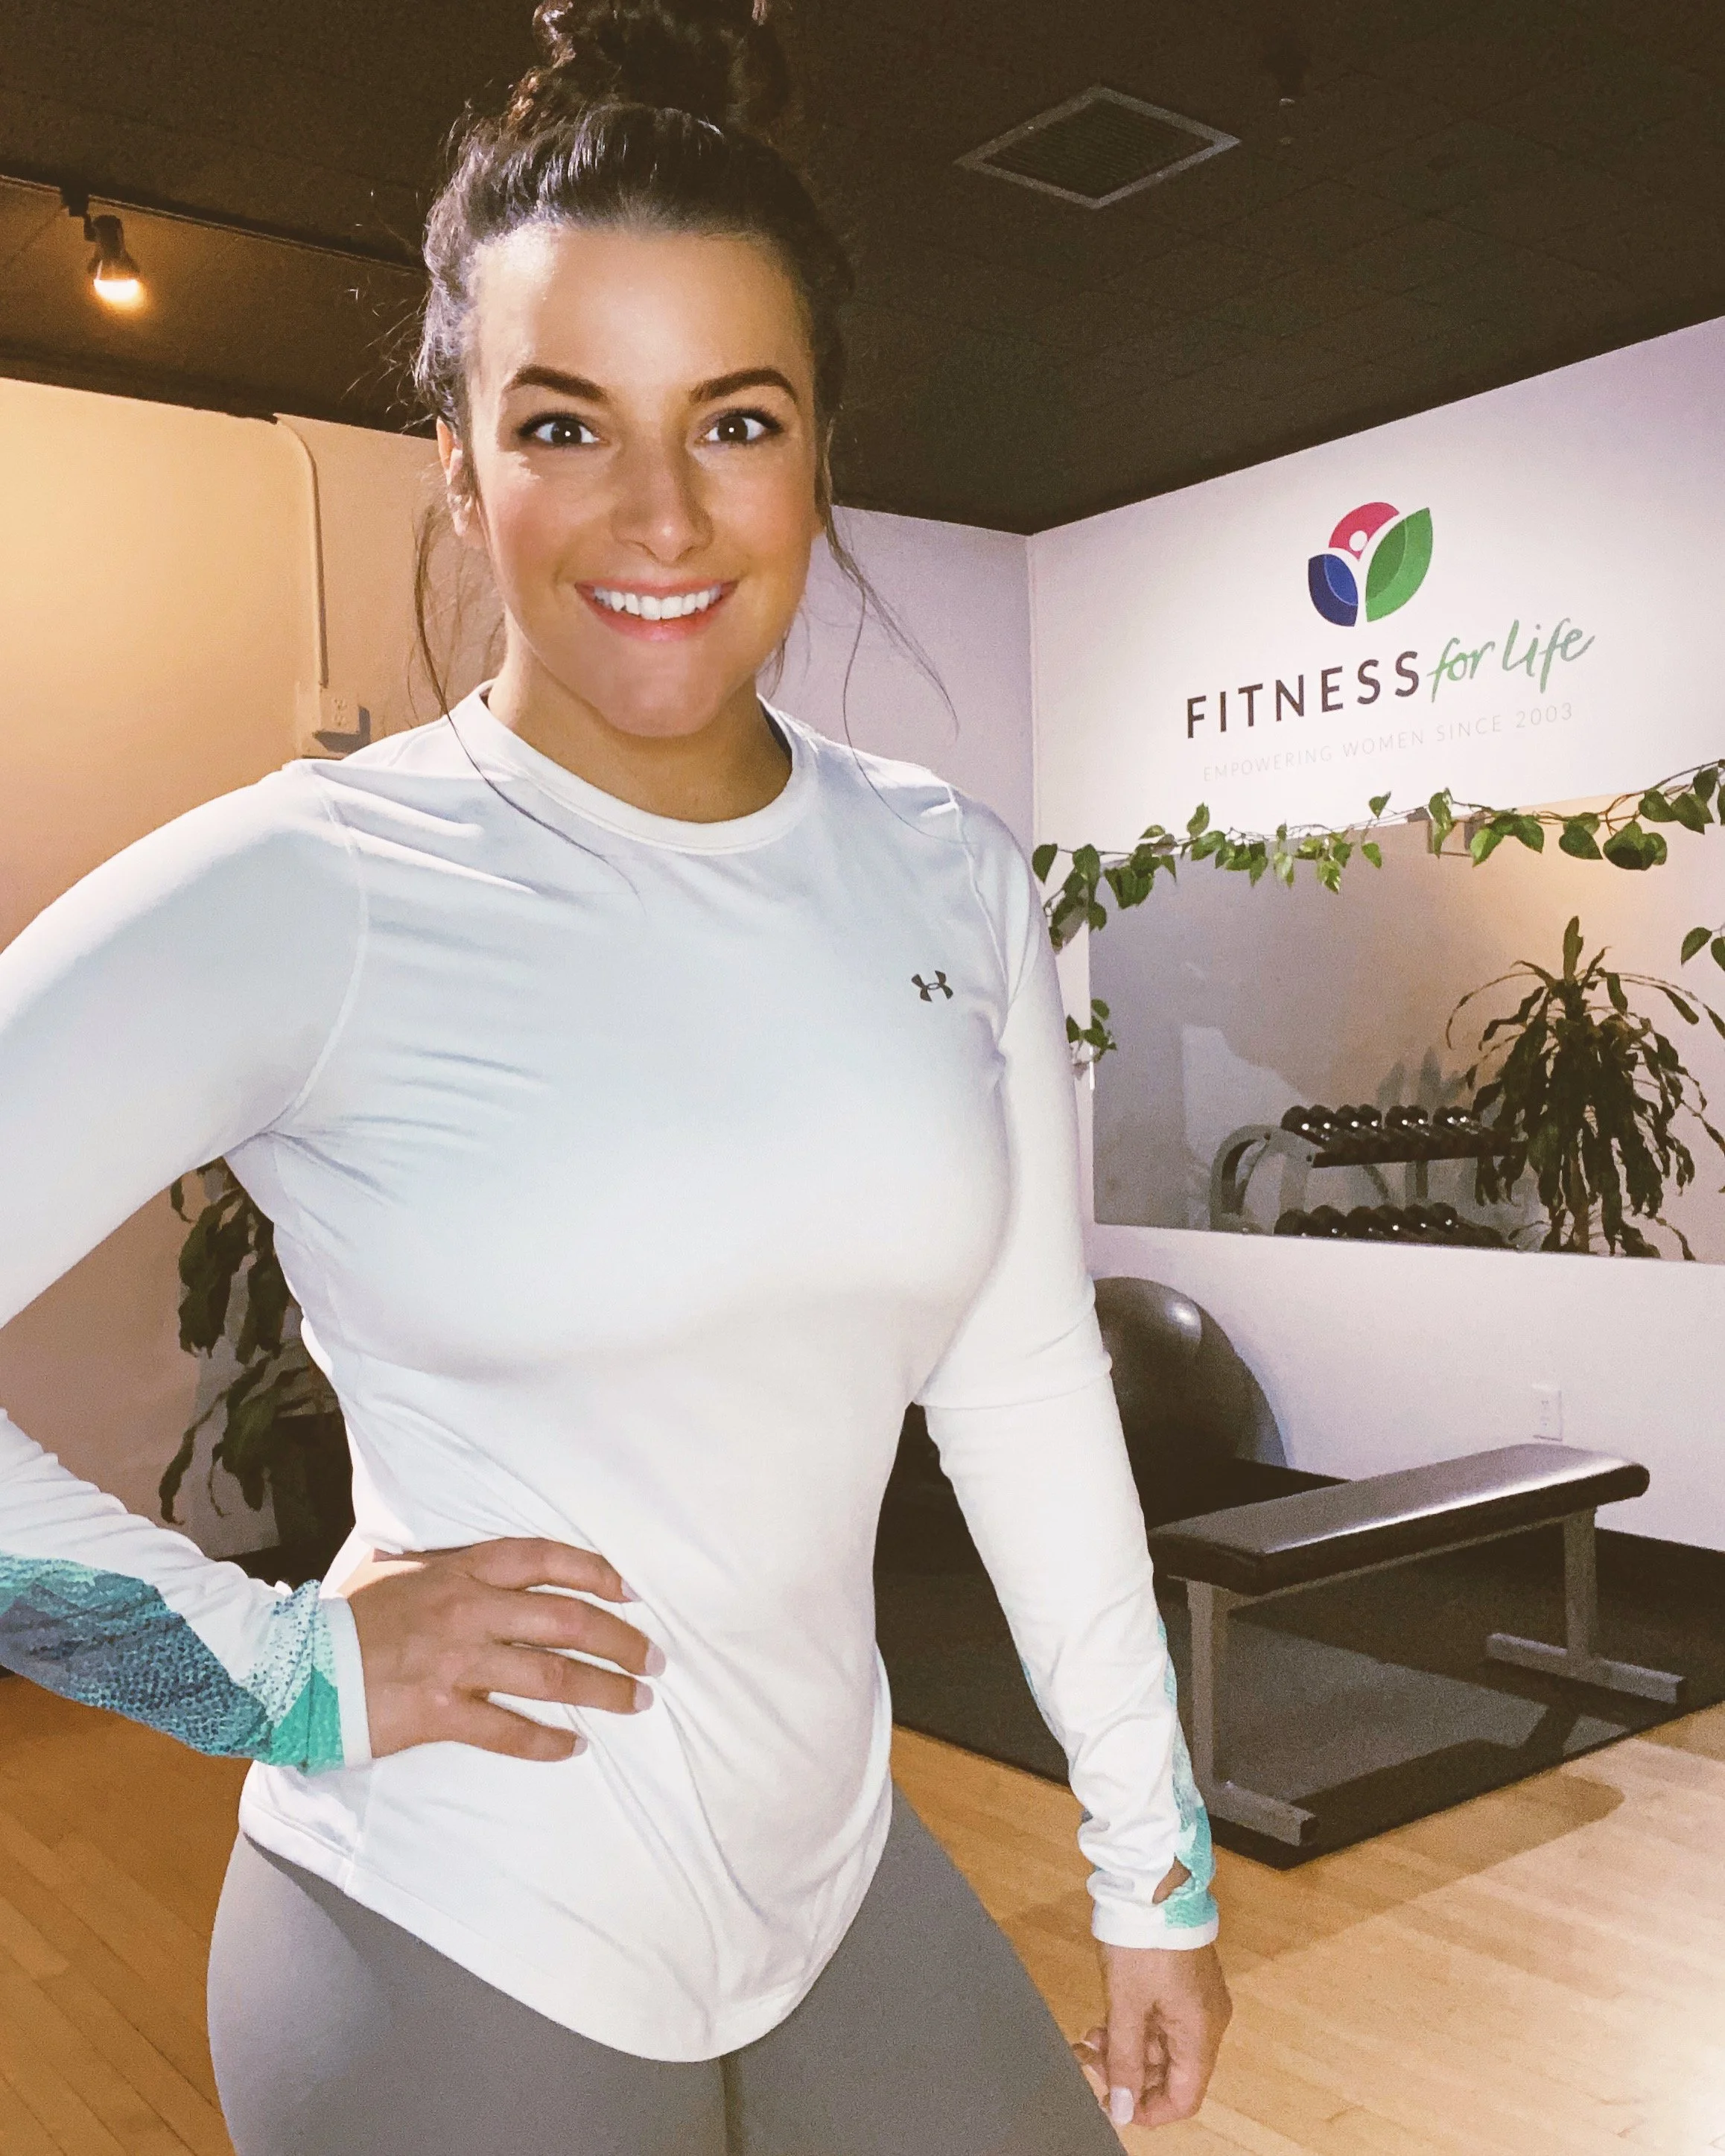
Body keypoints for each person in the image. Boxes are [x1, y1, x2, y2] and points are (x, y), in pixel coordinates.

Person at [0, 1, 1232, 2147]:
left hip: (829, 1864)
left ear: (820, 439)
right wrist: (262, 1660)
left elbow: (1022, 1387)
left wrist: (1153, 1860)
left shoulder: (946, 874)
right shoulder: (315, 882)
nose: (658, 512)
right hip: (460, 1914)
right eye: (566, 425)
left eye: (733, 419)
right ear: (459, 467)